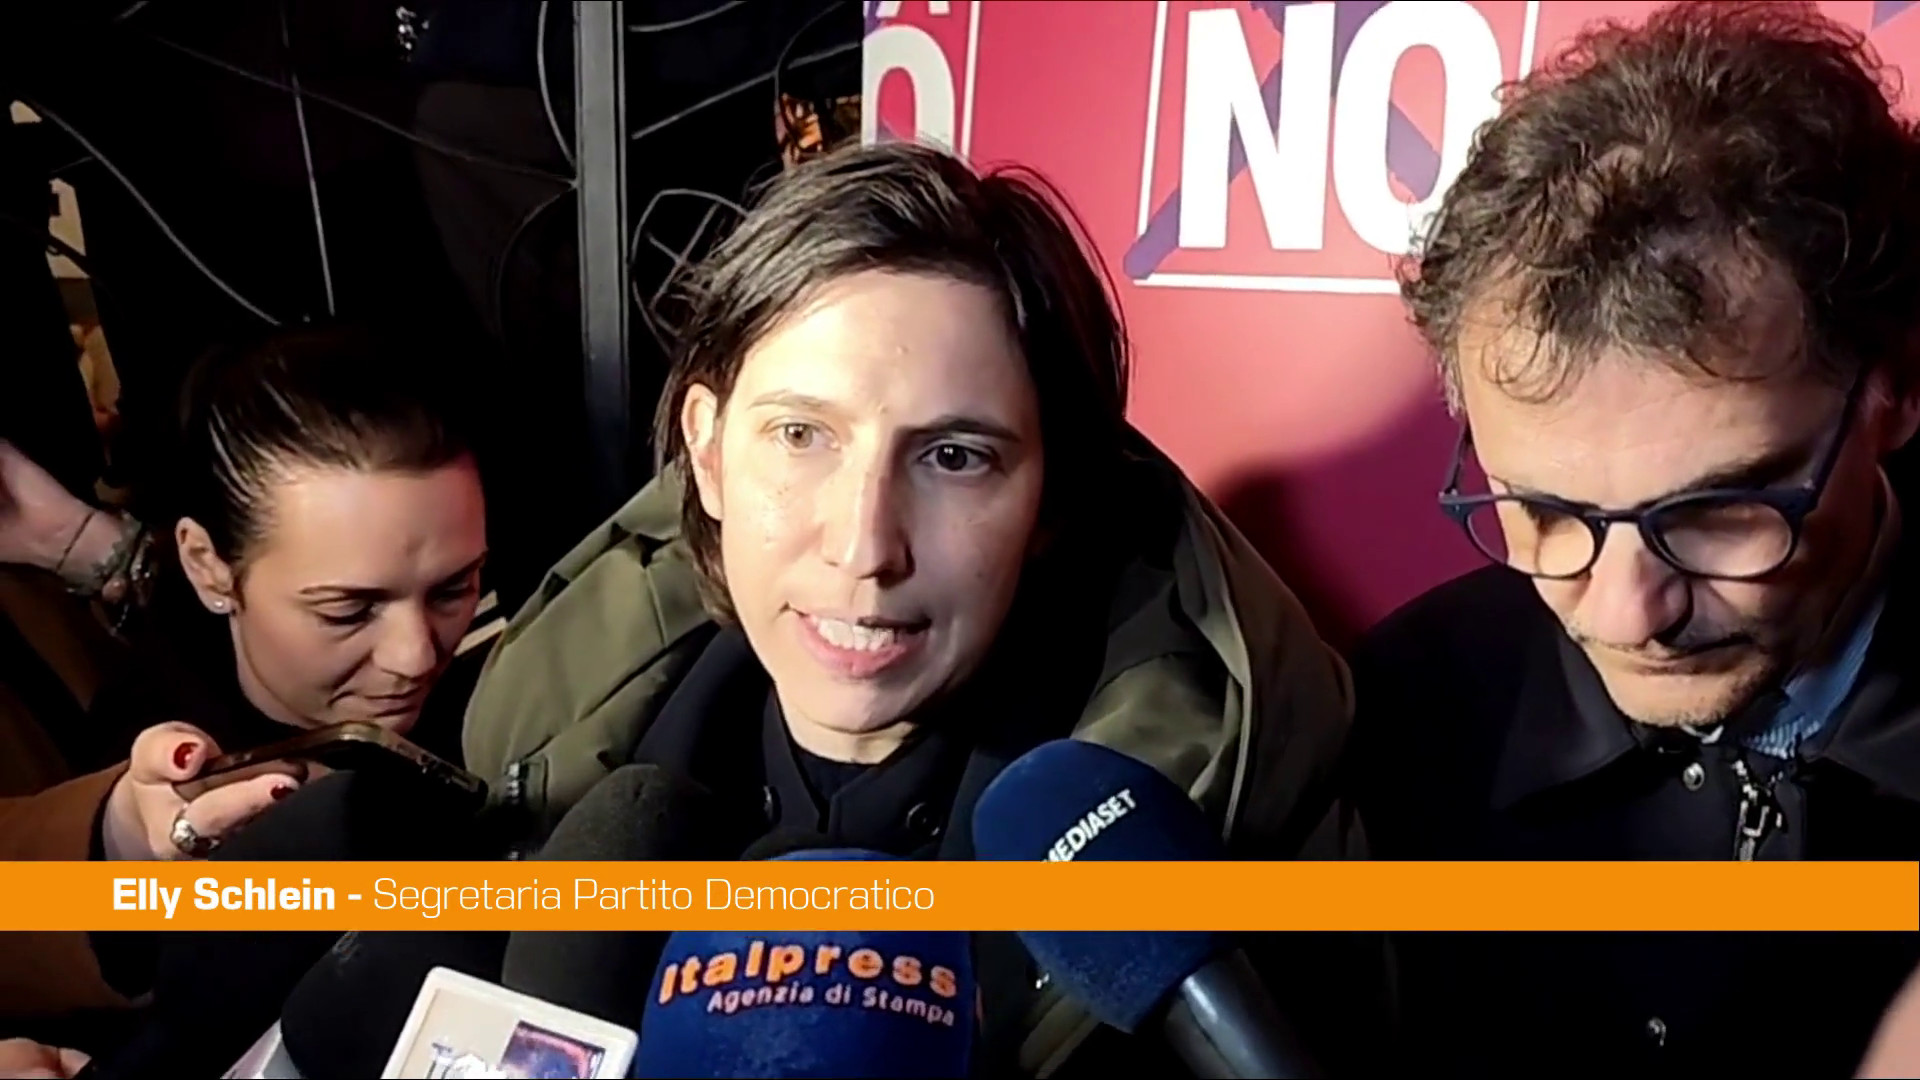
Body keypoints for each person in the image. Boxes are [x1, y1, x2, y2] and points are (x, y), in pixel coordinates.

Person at [458, 139, 1383, 1075]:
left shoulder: (1237, 860)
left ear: (1052, 497)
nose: (865, 547)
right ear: (707, 452)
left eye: (952, 457)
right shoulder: (552, 751)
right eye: (801, 435)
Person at [1348, 2, 1920, 1076]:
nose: (1624, 614)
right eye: (1546, 512)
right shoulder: (1405, 711)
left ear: (1897, 388)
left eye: (1717, 510)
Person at [0, 325, 489, 1028]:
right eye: (347, 611)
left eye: (454, 588)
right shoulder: (169, 783)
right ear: (207, 568)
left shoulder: (510, 671)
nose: (415, 655)